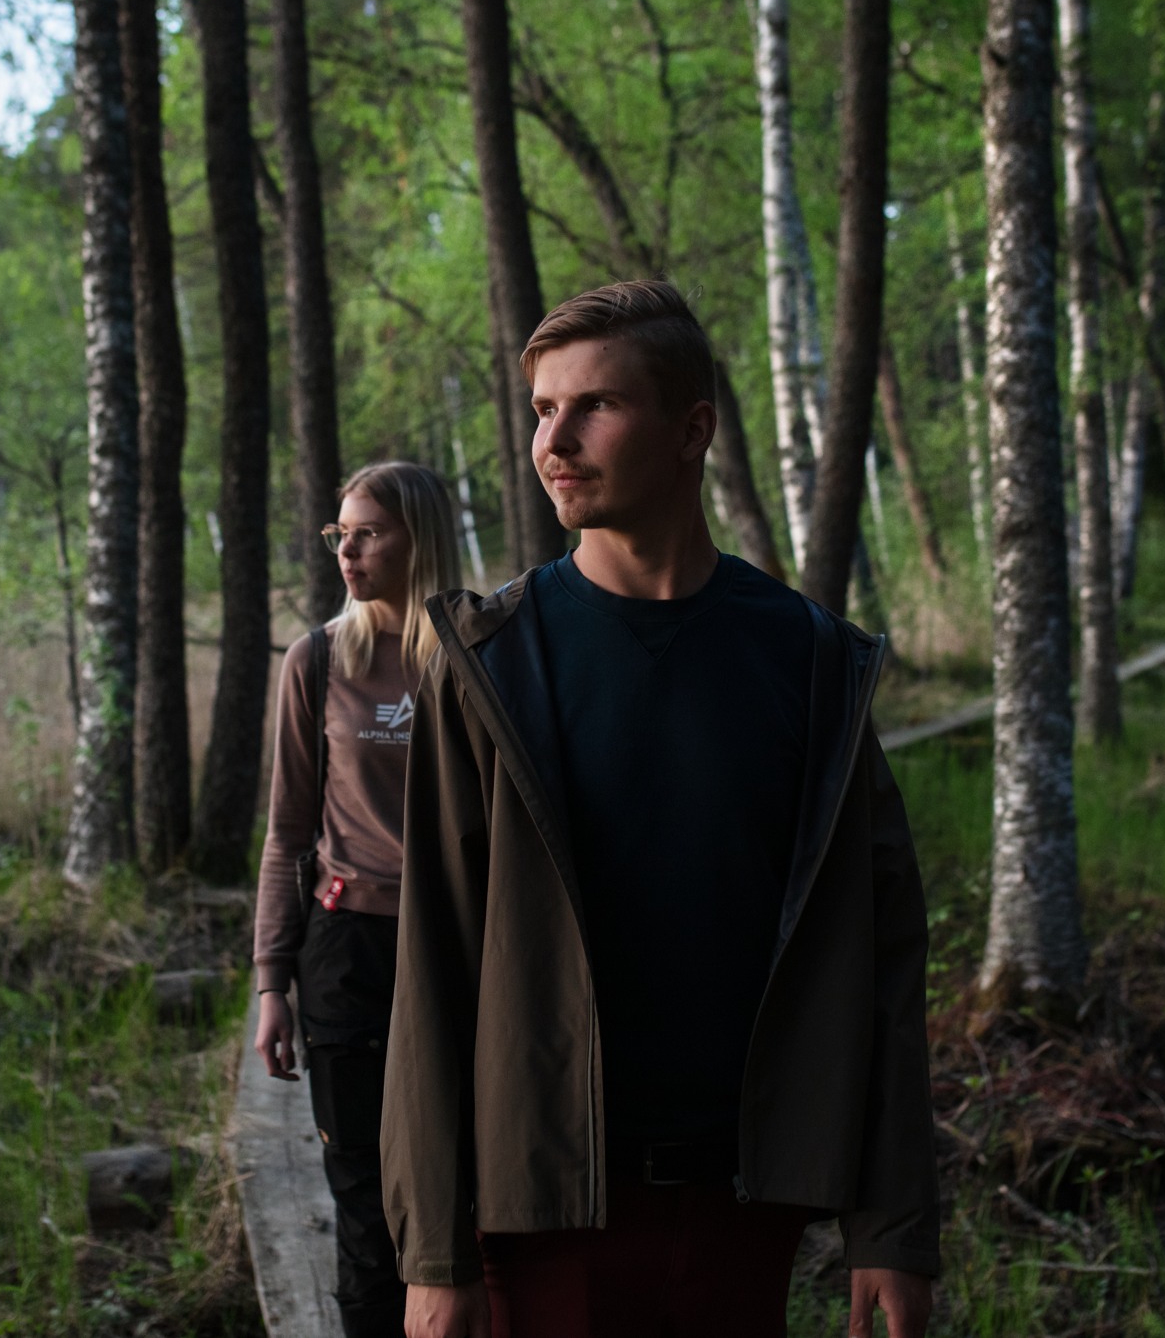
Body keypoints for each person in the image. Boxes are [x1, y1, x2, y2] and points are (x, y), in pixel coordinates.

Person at [382, 281, 938, 1338]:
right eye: (544, 409)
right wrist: (435, 1250)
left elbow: (883, 957)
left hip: (744, 1198)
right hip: (543, 1207)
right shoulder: (493, 662)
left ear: (692, 430)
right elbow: (433, 968)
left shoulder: (811, 660)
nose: (557, 438)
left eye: (595, 405)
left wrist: (894, 1223)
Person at [252, 460, 466, 1338]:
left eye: (368, 531)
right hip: (347, 957)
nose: (348, 550)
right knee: (367, 1211)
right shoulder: (316, 659)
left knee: (465, 1196)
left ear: (419, 537)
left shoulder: (473, 654)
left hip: (455, 952)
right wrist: (272, 980)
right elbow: (288, 830)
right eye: (340, 533)